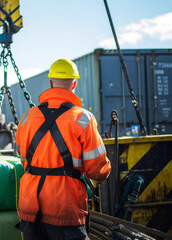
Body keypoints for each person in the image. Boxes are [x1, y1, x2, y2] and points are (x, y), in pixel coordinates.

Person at [15, 59, 111, 239]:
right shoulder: (84, 119)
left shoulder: (27, 118)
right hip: (65, 208)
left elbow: (23, 161)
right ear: (74, 84)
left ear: (51, 83)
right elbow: (97, 170)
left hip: (29, 207)